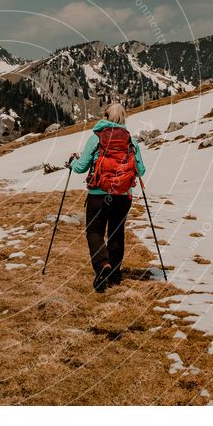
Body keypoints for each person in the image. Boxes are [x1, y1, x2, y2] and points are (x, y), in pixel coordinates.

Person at [67, 103, 146, 293]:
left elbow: (80, 167)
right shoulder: (130, 141)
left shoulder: (96, 138)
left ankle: (102, 266)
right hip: (122, 197)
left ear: (105, 116)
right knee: (116, 233)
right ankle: (115, 275)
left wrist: (72, 161)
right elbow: (141, 170)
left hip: (99, 195)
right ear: (124, 117)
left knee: (94, 232)